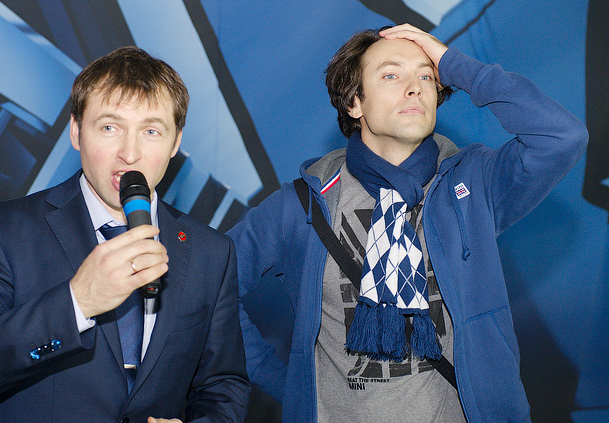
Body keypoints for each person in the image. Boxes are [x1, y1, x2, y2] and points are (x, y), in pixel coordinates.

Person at [227, 24, 588, 423]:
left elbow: (563, 136)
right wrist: (288, 384)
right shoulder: (301, 205)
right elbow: (212, 289)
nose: (414, 88)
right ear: (354, 103)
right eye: (391, 75)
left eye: (426, 76)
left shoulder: (473, 184)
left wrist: (453, 63)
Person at [0, 46, 249, 423]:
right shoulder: (2, 231)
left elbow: (222, 385)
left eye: (151, 131)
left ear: (175, 143)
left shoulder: (211, 252)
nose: (129, 153)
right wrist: (77, 302)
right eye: (110, 127)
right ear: (76, 132)